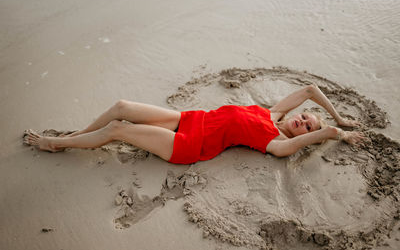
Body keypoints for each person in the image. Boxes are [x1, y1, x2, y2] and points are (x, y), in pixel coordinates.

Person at [24, 85, 365, 164]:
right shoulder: (272, 112)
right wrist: (337, 116)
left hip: (189, 146)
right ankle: (79, 134)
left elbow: (300, 145)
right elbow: (308, 90)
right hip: (189, 120)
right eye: (306, 116)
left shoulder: (274, 141)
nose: (302, 119)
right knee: (121, 107)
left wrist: (334, 132)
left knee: (118, 130)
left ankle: (56, 143)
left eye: (307, 126)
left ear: (304, 136)